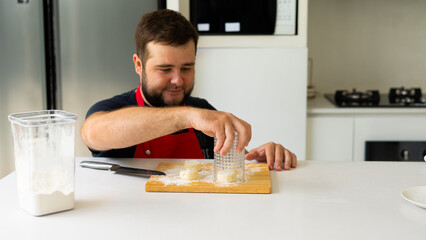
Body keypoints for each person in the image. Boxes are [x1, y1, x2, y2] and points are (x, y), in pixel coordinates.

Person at [81, 9, 297, 171]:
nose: (177, 80)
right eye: (165, 69)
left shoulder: (204, 111)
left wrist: (260, 158)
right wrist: (188, 117)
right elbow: (92, 133)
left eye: (187, 68)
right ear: (138, 65)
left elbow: (234, 163)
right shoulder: (113, 109)